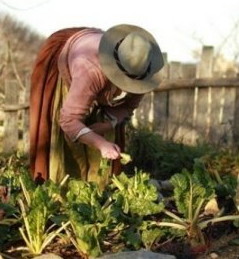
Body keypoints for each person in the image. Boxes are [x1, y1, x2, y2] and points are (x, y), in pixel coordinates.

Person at [28, 24, 165, 187]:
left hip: (96, 77)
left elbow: (127, 108)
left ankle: (99, 190)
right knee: (67, 147)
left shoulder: (143, 70)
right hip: (73, 65)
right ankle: (65, 194)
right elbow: (68, 121)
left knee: (106, 149)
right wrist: (101, 144)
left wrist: (107, 124)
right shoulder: (89, 69)